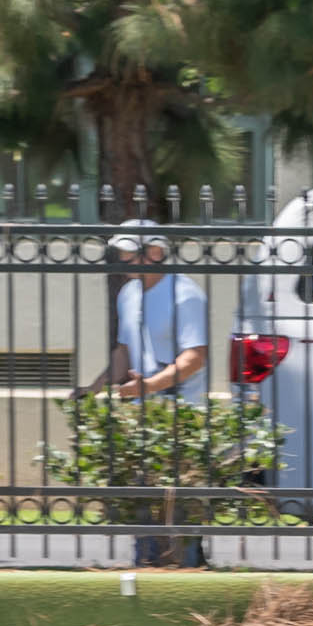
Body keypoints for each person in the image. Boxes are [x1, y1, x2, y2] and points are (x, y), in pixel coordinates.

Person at [97, 226, 210, 568]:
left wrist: (149, 386)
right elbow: (124, 350)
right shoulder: (129, 292)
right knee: (142, 498)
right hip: (139, 410)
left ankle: (187, 567)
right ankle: (146, 567)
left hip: (180, 411)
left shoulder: (185, 294)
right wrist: (96, 387)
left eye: (130, 252)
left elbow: (194, 357)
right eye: (123, 253)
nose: (124, 259)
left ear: (157, 252)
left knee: (180, 503)